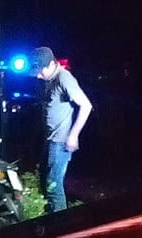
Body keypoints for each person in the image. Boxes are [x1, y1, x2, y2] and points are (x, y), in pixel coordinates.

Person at [28, 47, 93, 212]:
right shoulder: (49, 79)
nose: (38, 76)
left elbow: (86, 105)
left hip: (61, 141)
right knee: (45, 177)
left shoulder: (64, 78)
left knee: (53, 183)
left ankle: (61, 225)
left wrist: (74, 135)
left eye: (41, 71)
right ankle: (51, 214)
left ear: (51, 64)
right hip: (51, 138)